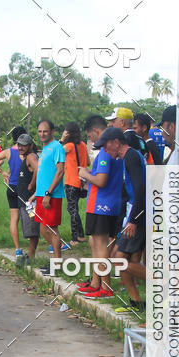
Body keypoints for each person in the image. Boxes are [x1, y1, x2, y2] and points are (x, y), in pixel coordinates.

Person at [97, 127, 147, 314]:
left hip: (139, 215)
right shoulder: (128, 158)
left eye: (106, 146)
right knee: (121, 258)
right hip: (134, 214)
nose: (105, 151)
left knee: (118, 260)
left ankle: (162, 281)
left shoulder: (132, 157)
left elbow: (141, 189)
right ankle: (136, 302)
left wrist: (133, 220)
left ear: (116, 143)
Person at [77, 115, 123, 298]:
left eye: (90, 136)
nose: (91, 141)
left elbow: (101, 180)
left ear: (96, 131)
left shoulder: (105, 151)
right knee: (95, 242)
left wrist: (84, 174)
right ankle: (96, 282)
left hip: (101, 204)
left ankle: (106, 286)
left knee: (101, 245)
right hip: (107, 203)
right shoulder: (114, 150)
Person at [0, 126, 26, 259]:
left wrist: (3, 172)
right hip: (25, 190)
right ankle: (49, 243)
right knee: (33, 216)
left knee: (14, 219)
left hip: (11, 188)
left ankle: (17, 249)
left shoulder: (8, 152)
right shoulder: (26, 152)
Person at [34, 119, 65, 273]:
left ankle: (58, 265)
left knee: (52, 229)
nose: (42, 134)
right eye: (39, 131)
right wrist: (36, 194)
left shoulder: (57, 147)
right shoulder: (45, 148)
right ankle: (56, 257)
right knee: (43, 229)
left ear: (52, 131)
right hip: (41, 195)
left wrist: (49, 193)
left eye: (45, 131)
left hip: (51, 195)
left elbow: (60, 171)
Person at [60, 122, 87, 244]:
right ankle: (81, 235)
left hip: (71, 181)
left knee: (72, 210)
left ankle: (75, 238)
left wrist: (62, 139)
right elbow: (89, 162)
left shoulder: (69, 146)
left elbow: (56, 153)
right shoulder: (83, 145)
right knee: (73, 209)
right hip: (82, 181)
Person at [15, 133, 39, 264]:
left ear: (31, 146)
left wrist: (31, 184)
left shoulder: (31, 156)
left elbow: (38, 169)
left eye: (24, 145)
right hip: (25, 201)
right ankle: (30, 255)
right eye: (19, 145)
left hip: (30, 202)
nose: (21, 147)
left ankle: (31, 256)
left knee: (32, 229)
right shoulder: (27, 157)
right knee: (31, 229)